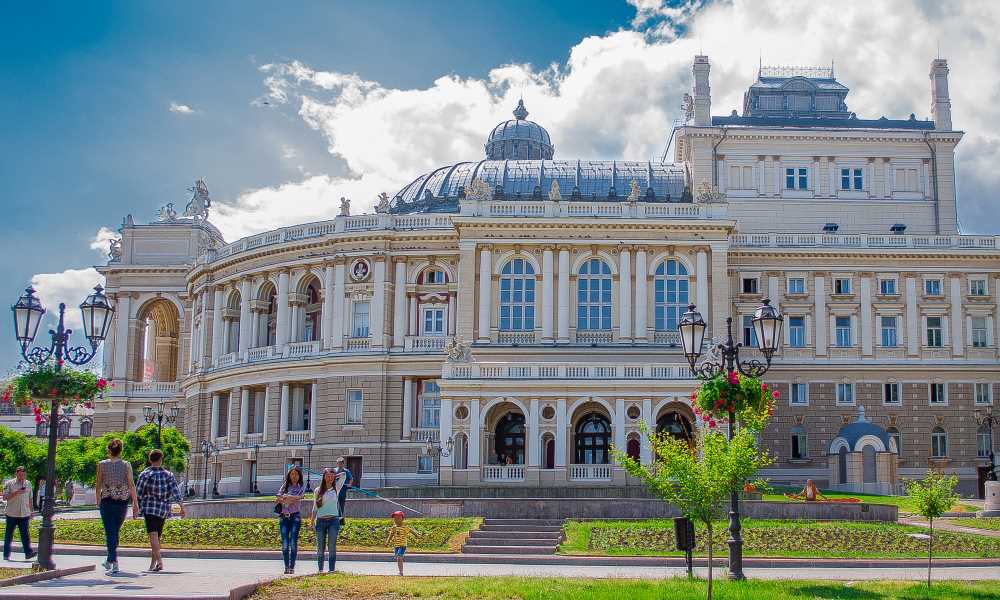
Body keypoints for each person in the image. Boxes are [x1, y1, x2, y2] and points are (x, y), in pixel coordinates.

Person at [135, 448, 185, 572]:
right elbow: (176, 493)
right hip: (163, 509)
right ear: (161, 459)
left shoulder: (145, 474)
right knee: (157, 537)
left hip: (150, 508)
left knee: (153, 536)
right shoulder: (168, 475)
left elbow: (139, 493)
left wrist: (136, 507)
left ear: (149, 460)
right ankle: (153, 564)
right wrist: (182, 508)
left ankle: (159, 562)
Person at [96, 438, 138, 575]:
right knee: (114, 532)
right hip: (122, 501)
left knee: (111, 532)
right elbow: (131, 484)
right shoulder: (126, 465)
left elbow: (98, 484)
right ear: (121, 451)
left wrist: (98, 500)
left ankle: (113, 562)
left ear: (109, 450)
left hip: (107, 500)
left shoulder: (101, 465)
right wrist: (135, 503)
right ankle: (111, 560)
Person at [311, 468, 345, 573]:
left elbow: (344, 475)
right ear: (324, 477)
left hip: (333, 521)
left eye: (332, 476)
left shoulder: (336, 488)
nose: (330, 478)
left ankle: (331, 570)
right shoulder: (318, 490)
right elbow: (315, 507)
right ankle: (320, 570)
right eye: (327, 476)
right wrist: (311, 521)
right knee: (320, 548)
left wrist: (335, 474)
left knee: (332, 546)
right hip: (320, 521)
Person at [276, 466, 305, 574]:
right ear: (289, 475)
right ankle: (286, 567)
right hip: (284, 517)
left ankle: (292, 567)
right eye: (292, 474)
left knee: (293, 542)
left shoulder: (300, 486)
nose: (294, 476)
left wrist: (287, 497)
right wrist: (292, 497)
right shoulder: (285, 486)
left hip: (295, 517)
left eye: (296, 474)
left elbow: (301, 497)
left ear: (299, 476)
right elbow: (277, 498)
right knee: (284, 544)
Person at [3, 466, 36, 561]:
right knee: (9, 535)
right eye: (20, 474)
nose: (22, 476)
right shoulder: (9, 483)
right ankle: (6, 555)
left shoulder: (28, 483)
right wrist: (17, 492)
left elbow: (30, 499)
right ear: (16, 474)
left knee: (25, 535)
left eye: (23, 474)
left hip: (24, 513)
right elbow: (5, 497)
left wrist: (31, 511)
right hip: (11, 513)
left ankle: (28, 553)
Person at [384, 510, 410, 576]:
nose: (396, 520)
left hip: (403, 545)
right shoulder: (394, 527)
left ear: (402, 519)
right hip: (396, 545)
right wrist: (387, 542)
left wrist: (417, 535)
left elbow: (411, 530)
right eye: (395, 519)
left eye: (398, 518)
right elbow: (391, 535)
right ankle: (400, 570)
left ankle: (401, 572)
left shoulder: (404, 527)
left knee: (399, 556)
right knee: (398, 557)